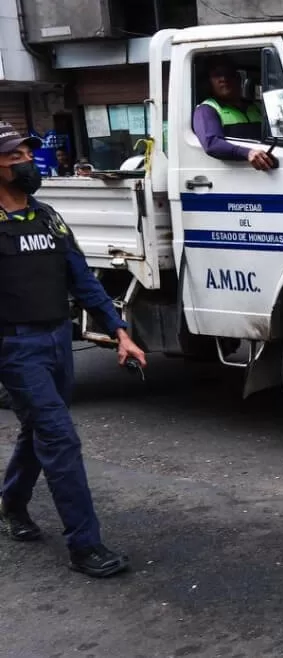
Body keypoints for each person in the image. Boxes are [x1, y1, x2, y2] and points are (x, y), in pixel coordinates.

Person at [0, 121, 147, 577]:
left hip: (58, 339)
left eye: (27, 154)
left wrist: (119, 330)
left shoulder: (47, 216)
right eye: (13, 157)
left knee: (38, 430)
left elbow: (81, 279)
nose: (26, 162)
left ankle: (11, 502)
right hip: (15, 347)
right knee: (59, 437)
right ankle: (86, 546)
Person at [191, 55, 275, 172]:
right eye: (217, 75)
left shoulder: (256, 107)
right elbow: (212, 144)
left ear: (238, 78)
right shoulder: (207, 109)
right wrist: (248, 153)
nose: (224, 78)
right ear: (208, 82)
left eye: (229, 73)